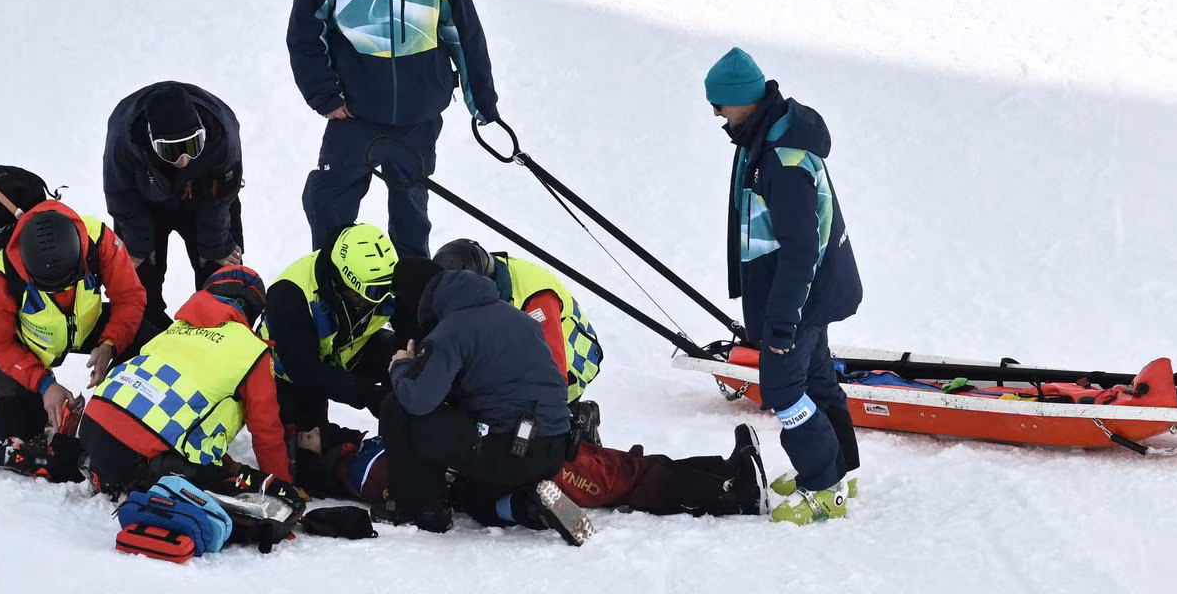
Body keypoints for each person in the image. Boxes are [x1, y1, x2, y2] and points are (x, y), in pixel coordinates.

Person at [287, 0, 500, 258]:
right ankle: (333, 291)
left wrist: (482, 101)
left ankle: (411, 303)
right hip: (354, 114)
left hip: (418, 114)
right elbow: (305, 33)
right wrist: (325, 96)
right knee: (329, 206)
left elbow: (461, 28)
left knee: (412, 220)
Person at [706, 47, 863, 525]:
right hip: (806, 293)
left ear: (744, 100)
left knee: (784, 391)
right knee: (816, 380)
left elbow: (800, 251)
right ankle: (839, 470)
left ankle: (823, 488)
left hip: (798, 295)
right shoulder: (767, 135)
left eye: (720, 104)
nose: (716, 114)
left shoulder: (782, 159)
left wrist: (780, 322)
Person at [372, 258, 590, 544]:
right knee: (474, 499)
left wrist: (402, 366)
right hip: (555, 447)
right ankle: (527, 506)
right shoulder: (516, 317)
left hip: (512, 448)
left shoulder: (451, 330)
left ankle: (421, 509)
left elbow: (418, 399)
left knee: (397, 407)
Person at [79, 266, 291, 494]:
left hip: (92, 427)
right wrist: (281, 486)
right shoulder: (252, 351)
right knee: (235, 484)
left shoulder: (173, 330)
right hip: (149, 458)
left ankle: (109, 470)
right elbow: (266, 429)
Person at [0, 200, 148, 482]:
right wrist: (44, 385)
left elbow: (131, 297)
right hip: (29, 345)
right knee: (13, 438)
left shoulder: (98, 239)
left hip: (90, 324)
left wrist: (110, 344)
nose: (64, 291)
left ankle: (135, 415)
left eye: (72, 281)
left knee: (151, 341)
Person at [302, 422, 770, 519]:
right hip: (499, 470)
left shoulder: (364, 446)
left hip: (497, 458)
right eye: (305, 437)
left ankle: (722, 470)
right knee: (618, 479)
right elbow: (422, 480)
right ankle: (731, 492)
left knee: (617, 466)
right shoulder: (360, 470)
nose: (312, 430)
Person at [103, 81, 245, 328]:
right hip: (146, 203)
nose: (184, 159)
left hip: (206, 200)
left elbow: (224, 193)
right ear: (150, 139)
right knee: (137, 277)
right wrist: (138, 245)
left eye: (192, 145)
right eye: (171, 151)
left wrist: (214, 245)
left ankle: (218, 332)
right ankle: (145, 334)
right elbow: (120, 194)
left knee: (221, 271)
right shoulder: (123, 136)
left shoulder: (223, 131)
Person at [262, 223, 401, 466]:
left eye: (388, 288)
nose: (382, 299)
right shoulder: (290, 295)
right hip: (288, 377)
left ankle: (401, 436)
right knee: (308, 455)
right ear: (344, 280)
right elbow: (305, 371)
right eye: (373, 292)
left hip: (345, 350)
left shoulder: (379, 281)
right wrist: (368, 394)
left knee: (401, 355)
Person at [432, 239, 603, 405]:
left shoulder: (536, 299)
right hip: (521, 347)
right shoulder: (483, 277)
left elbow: (552, 377)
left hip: (571, 366)